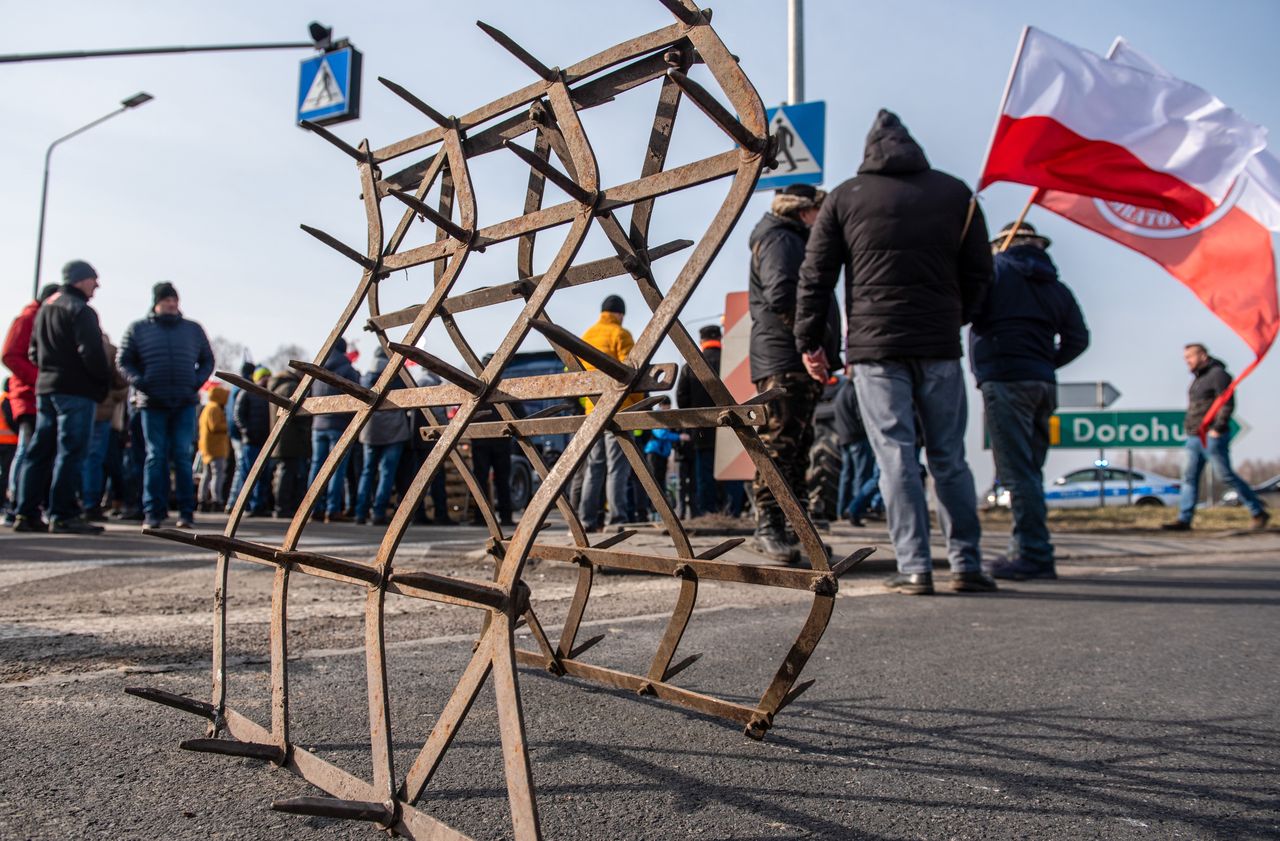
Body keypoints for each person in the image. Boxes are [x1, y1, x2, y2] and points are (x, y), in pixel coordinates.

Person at [794, 109, 997, 595]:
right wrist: (956, 318)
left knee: (895, 457)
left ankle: (914, 567)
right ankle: (967, 564)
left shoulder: (846, 197)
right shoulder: (956, 194)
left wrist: (809, 341)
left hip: (874, 348)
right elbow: (982, 274)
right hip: (940, 347)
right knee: (949, 457)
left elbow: (815, 275)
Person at [971, 222, 1090, 580]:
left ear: (1002, 244)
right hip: (1042, 383)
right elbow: (1078, 338)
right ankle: (1023, 547)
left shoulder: (995, 273)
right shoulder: (1057, 287)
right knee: (1031, 470)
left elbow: (969, 311)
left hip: (1006, 379)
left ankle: (1035, 554)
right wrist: (1046, 362)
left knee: (1017, 472)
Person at [745, 183, 839, 563]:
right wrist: (808, 345)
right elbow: (782, 295)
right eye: (822, 211)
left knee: (798, 449)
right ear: (805, 211)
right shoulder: (781, 239)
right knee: (779, 444)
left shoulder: (791, 237)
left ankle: (795, 528)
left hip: (793, 358)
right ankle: (768, 527)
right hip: (785, 359)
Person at [14, 260, 111, 534]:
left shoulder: (45, 308)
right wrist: (99, 382)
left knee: (40, 450)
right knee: (72, 451)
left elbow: (33, 352)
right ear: (80, 280)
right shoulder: (81, 310)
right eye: (94, 279)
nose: (97, 285)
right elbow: (92, 353)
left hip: (46, 388)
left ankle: (26, 512)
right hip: (76, 391)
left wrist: (51, 368)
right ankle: (63, 513)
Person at [118, 282, 216, 530]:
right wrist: (141, 382)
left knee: (182, 457)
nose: (172, 304)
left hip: (184, 401)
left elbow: (208, 359)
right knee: (155, 456)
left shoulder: (192, 329)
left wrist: (195, 383)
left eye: (175, 300)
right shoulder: (138, 329)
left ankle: (186, 512)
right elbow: (124, 360)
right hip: (152, 402)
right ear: (156, 303)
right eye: (166, 300)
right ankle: (153, 511)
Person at [1163, 344, 1269, 531]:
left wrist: (1218, 427)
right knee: (1189, 477)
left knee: (1225, 475)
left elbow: (1227, 402)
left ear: (1202, 356)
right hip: (1194, 436)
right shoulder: (1198, 379)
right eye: (1185, 357)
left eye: (1190, 356)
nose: (1187, 361)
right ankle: (1184, 519)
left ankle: (1258, 511)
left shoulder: (1218, 374)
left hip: (1212, 435)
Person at [577, 295, 637, 529]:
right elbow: (630, 375)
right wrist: (636, 405)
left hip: (593, 410)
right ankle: (617, 518)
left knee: (594, 467)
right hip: (618, 410)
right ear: (620, 314)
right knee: (617, 468)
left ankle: (587, 519)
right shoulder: (621, 335)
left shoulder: (587, 335)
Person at [2, 284, 59, 525]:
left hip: (46, 396)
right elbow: (9, 355)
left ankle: (32, 503)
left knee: (41, 452)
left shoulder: (47, 320)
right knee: (27, 450)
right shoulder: (28, 319)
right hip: (28, 397)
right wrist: (39, 379)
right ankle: (16, 504)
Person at [675, 324, 726, 518]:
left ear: (701, 342)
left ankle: (708, 512)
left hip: (702, 428)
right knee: (730, 471)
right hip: (732, 428)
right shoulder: (731, 362)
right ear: (720, 339)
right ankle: (732, 510)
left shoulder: (691, 365)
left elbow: (682, 398)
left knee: (704, 472)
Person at [355, 346, 409, 526]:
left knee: (367, 471)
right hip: (394, 429)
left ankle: (360, 513)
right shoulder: (399, 375)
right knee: (387, 472)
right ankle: (378, 512)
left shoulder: (366, 376)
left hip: (371, 430)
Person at [309, 338, 361, 522]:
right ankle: (332, 509)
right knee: (337, 469)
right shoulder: (347, 369)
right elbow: (359, 395)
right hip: (339, 424)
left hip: (318, 424)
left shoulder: (317, 369)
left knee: (316, 466)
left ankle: (313, 508)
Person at [81, 333, 128, 520]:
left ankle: (84, 503)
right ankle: (90, 504)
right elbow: (122, 382)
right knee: (94, 460)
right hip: (100, 412)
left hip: (88, 409)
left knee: (82, 459)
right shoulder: (109, 350)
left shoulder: (75, 345)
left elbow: (122, 382)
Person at [266, 367, 311, 518]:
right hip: (291, 438)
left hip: (281, 437)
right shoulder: (292, 387)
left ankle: (280, 506)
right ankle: (282, 507)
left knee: (283, 472)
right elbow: (299, 415)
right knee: (287, 474)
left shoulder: (277, 386)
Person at [834, 375, 875, 526]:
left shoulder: (841, 392)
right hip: (857, 438)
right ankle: (855, 512)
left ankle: (841, 511)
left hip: (844, 438)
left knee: (846, 476)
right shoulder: (855, 392)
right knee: (861, 475)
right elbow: (861, 416)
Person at [642, 396, 685, 516]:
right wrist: (679, 437)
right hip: (654, 453)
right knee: (655, 481)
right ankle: (652, 508)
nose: (669, 409)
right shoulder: (657, 416)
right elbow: (661, 434)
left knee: (660, 481)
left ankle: (658, 508)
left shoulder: (666, 417)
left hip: (662, 454)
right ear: (661, 406)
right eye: (667, 407)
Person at [198, 385, 231, 513]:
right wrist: (228, 425)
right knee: (217, 474)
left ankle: (202, 499)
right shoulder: (215, 408)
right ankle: (216, 500)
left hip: (207, 446)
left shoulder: (208, 407)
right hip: (215, 447)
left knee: (207, 475)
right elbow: (215, 426)